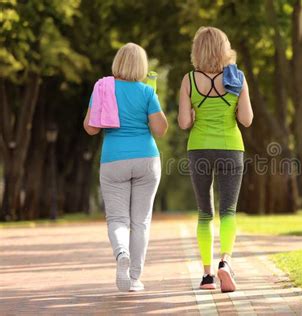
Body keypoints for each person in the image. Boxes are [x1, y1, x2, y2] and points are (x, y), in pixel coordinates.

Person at [83, 42, 168, 292]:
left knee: (118, 219)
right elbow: (161, 130)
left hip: (113, 159)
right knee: (140, 222)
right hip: (146, 159)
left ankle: (121, 253)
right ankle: (134, 278)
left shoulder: (102, 88)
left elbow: (90, 128)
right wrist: (153, 99)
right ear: (141, 66)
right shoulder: (146, 92)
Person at [178, 27, 253, 293]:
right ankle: (226, 262)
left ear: (197, 50)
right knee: (228, 210)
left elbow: (185, 122)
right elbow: (246, 119)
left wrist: (199, 113)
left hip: (199, 148)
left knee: (204, 212)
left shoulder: (189, 79)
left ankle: (208, 276)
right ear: (225, 49)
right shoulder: (237, 78)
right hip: (231, 148)